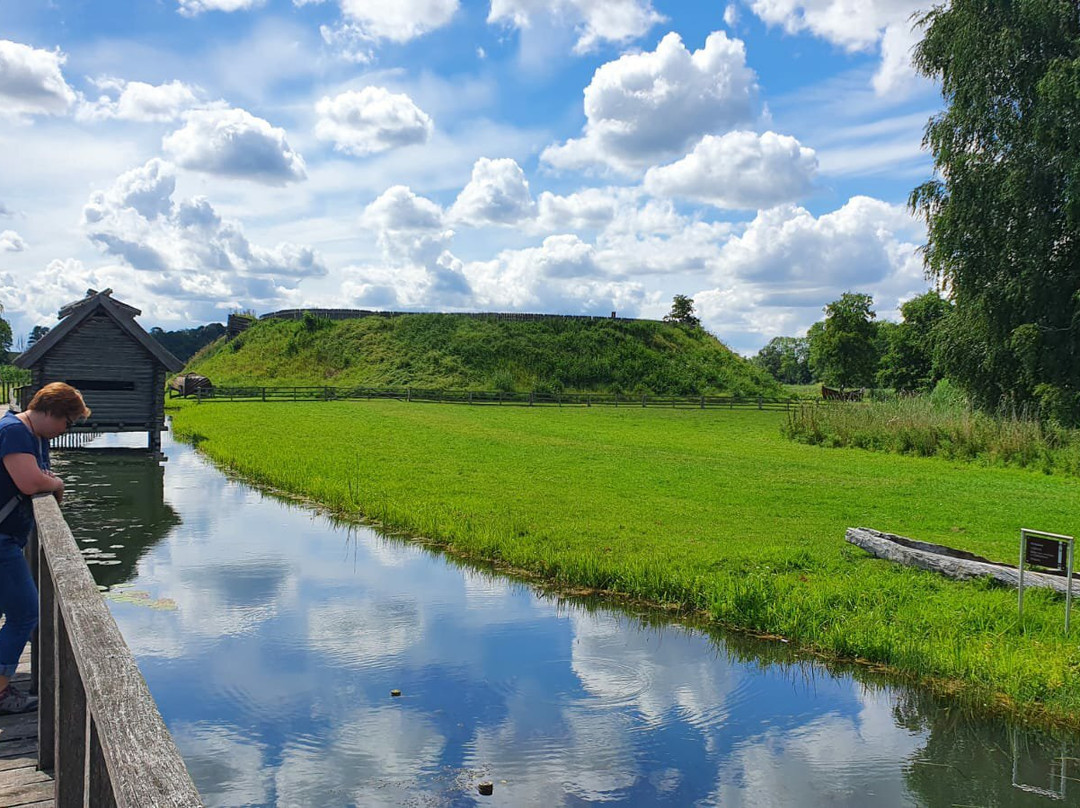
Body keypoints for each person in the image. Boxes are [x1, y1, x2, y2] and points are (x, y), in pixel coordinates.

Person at [0, 382, 89, 714]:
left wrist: (46, 478)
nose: (65, 430)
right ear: (51, 412)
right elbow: (32, 482)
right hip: (2, 540)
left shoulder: (28, 433)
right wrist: (58, 484)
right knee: (25, 612)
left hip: (8, 537)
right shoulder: (15, 432)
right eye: (67, 422)